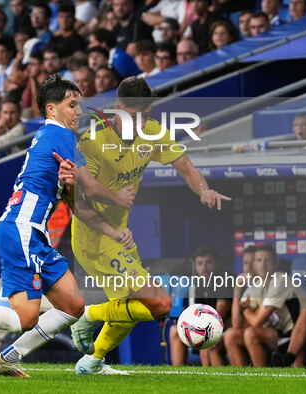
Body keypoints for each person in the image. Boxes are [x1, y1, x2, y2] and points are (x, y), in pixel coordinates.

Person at [0, 74, 135, 376]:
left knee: (73, 305)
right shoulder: (60, 135)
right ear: (51, 109)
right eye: (72, 105)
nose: (79, 112)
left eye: (80, 105)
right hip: (21, 229)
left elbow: (76, 204)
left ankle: (9, 357)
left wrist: (105, 224)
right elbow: (93, 188)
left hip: (33, 234)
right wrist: (119, 198)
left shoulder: (53, 139)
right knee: (26, 318)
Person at [64, 77, 230, 374]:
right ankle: (86, 316)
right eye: (134, 116)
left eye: (146, 115)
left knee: (129, 307)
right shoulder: (93, 142)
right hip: (95, 237)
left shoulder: (153, 133)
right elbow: (80, 203)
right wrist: (116, 202)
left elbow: (186, 168)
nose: (141, 122)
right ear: (117, 109)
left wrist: (203, 189)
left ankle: (92, 362)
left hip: (120, 236)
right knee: (161, 304)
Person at [223, 245, 306, 367]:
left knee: (251, 333)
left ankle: (262, 376)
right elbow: (237, 324)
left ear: (275, 263)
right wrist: (237, 289)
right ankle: (243, 380)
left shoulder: (281, 281)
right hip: (278, 334)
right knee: (230, 335)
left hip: (297, 334)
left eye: (268, 260)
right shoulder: (255, 288)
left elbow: (256, 322)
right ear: (254, 265)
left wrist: (245, 309)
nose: (263, 265)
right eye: (259, 260)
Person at [169, 247, 232, 366]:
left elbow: (217, 317)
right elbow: (187, 312)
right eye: (199, 264)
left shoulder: (226, 280)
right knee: (175, 330)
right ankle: (178, 374)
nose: (204, 268)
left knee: (206, 336)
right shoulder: (196, 285)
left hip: (225, 328)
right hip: (206, 327)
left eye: (209, 262)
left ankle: (217, 380)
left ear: (218, 263)